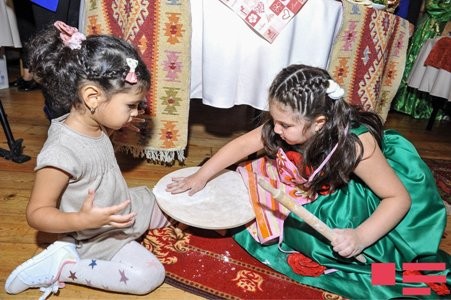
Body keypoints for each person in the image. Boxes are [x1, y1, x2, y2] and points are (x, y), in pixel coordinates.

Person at [166, 64, 450, 298]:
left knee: (326, 245)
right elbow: (244, 145)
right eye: (273, 119)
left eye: (285, 125)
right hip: (326, 178)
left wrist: (360, 237)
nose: (275, 130)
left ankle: (415, 273)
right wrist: (202, 176)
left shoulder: (356, 146)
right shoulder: (290, 122)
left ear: (320, 123)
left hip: (369, 195)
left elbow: (398, 199)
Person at [4, 21, 171, 299]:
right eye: (130, 105)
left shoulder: (93, 121)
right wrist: (83, 219)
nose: (137, 111)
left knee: (172, 203)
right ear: (93, 97)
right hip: (95, 235)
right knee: (149, 276)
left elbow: (97, 151)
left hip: (119, 206)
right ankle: (64, 266)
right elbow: (36, 214)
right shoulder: (60, 153)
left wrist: (120, 124)